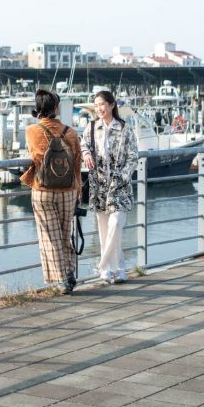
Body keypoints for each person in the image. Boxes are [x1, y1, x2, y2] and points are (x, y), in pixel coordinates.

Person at [22, 89, 82, 295]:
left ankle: (62, 280)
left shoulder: (32, 131)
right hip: (68, 189)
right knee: (65, 234)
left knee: (50, 236)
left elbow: (34, 157)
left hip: (43, 189)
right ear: (56, 108)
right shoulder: (70, 133)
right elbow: (77, 164)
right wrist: (78, 190)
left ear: (38, 108)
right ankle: (69, 270)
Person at [80, 89, 139, 285]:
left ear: (112, 105)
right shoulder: (91, 128)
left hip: (119, 186)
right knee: (104, 230)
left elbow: (133, 157)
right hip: (99, 186)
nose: (99, 109)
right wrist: (86, 154)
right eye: (96, 105)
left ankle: (103, 265)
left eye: (102, 105)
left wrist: (122, 177)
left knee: (115, 224)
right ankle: (117, 270)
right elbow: (83, 145)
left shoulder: (124, 129)